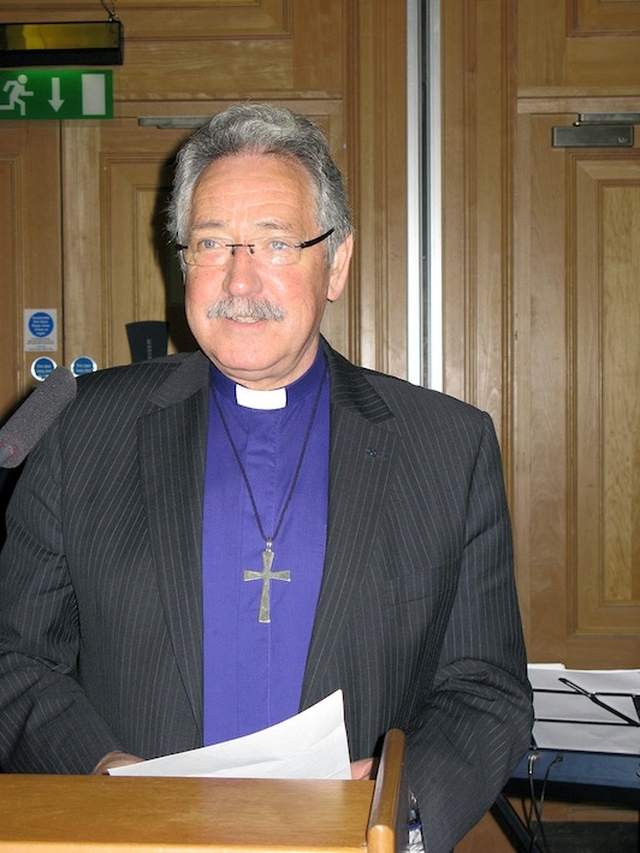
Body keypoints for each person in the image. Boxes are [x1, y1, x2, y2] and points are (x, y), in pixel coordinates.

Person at [0, 103, 532, 851]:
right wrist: (103, 774)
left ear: (336, 263)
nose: (239, 279)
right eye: (212, 243)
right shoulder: (80, 430)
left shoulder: (448, 446)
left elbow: (487, 688)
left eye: (276, 243)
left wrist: (397, 806)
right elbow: (16, 655)